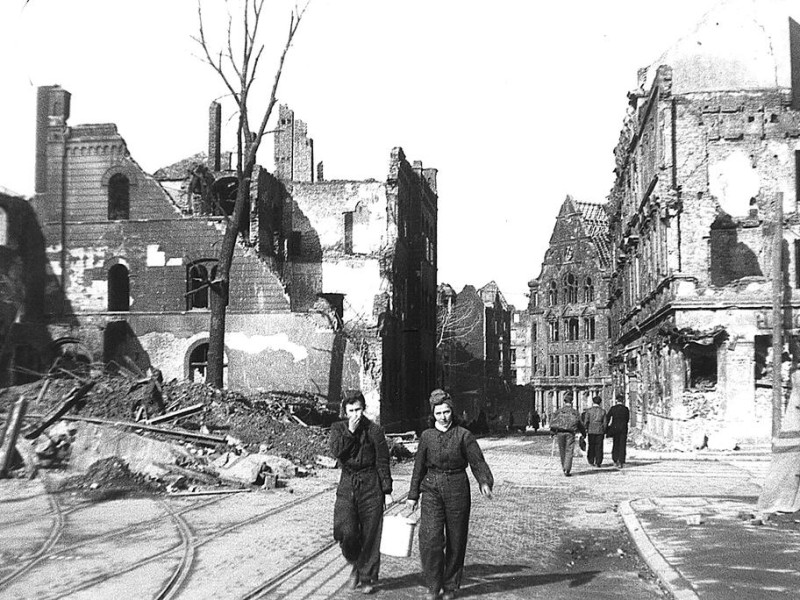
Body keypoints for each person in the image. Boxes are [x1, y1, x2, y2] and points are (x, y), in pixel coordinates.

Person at [406, 389, 494, 600]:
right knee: (430, 538)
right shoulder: (426, 437)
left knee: (456, 538)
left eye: (446, 412)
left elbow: (477, 461)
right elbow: (418, 467)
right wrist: (412, 495)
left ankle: (451, 585)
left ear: (452, 412)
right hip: (432, 488)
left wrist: (484, 482)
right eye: (438, 413)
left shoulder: (464, 435)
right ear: (433, 415)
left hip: (457, 487)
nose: (443, 417)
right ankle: (434, 585)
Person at [329, 390, 393, 595]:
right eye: (351, 410)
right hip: (348, 483)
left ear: (363, 409)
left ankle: (366, 577)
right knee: (345, 530)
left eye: (358, 409)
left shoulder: (374, 430)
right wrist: (350, 431)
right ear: (345, 411)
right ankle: (356, 563)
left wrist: (387, 490)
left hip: (370, 484)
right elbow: (336, 452)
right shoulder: (338, 428)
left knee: (370, 534)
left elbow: (382, 461)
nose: (355, 414)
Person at [548, 393, 584, 476]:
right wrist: (583, 433)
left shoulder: (559, 411)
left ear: (564, 402)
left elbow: (554, 422)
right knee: (569, 451)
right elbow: (580, 424)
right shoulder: (575, 412)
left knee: (562, 451)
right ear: (572, 402)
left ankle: (564, 466)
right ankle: (567, 469)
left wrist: (552, 432)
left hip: (560, 433)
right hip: (570, 433)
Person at [606, 395, 631, 468]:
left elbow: (608, 417)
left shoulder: (613, 408)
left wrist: (607, 428)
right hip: (623, 429)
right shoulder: (626, 409)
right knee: (622, 445)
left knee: (615, 444)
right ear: (623, 401)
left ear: (616, 400)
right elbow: (627, 419)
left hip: (615, 428)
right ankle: (621, 461)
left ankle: (615, 459)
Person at [581, 396, 606, 468]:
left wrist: (585, 429)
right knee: (599, 446)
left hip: (591, 430)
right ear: (600, 402)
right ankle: (598, 462)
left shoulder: (589, 411)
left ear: (593, 402)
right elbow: (605, 423)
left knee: (591, 445)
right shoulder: (603, 411)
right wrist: (604, 430)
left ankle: (591, 460)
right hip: (599, 430)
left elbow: (586, 421)